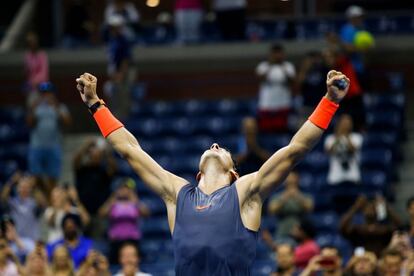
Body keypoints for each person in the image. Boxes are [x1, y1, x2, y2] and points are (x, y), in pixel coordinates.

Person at [74, 69, 350, 274]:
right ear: (197, 174)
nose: (215, 144)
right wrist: (95, 104)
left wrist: (330, 101)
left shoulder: (244, 193)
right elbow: (129, 150)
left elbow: (295, 150)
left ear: (234, 174)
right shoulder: (178, 194)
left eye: (223, 150)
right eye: (214, 146)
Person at [27, 82, 72, 195]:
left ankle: (51, 200)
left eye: (48, 93)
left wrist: (56, 106)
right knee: (35, 176)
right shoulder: (36, 107)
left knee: (53, 176)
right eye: (43, 93)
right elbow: (29, 123)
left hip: (54, 145)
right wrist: (33, 108)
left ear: (53, 94)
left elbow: (68, 122)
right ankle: (44, 200)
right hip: (37, 145)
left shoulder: (59, 106)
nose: (46, 95)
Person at [98, 178, 150, 264]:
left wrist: (136, 200)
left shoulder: (134, 203)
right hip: (116, 241)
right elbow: (101, 214)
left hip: (133, 240)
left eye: (126, 188)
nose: (124, 190)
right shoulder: (113, 203)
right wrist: (112, 199)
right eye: (122, 188)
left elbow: (146, 214)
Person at [73, 137, 116, 238]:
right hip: (82, 211)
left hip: (100, 213)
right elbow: (75, 161)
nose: (95, 155)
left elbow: (113, 168)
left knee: (98, 242)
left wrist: (107, 153)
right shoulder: (83, 169)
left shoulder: (103, 171)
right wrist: (86, 146)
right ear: (89, 155)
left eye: (98, 154)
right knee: (80, 241)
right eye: (93, 153)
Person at [256, 44, 296, 132]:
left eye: (279, 53)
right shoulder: (263, 66)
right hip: (266, 105)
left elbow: (292, 81)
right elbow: (260, 78)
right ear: (270, 54)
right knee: (266, 131)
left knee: (283, 131)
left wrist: (282, 67)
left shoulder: (288, 66)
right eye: (275, 53)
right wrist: (270, 64)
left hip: (283, 104)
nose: (277, 56)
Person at [0, 172, 47, 241]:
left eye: (26, 187)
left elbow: (43, 203)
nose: (24, 189)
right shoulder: (13, 202)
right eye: (21, 187)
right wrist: (11, 181)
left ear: (30, 189)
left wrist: (34, 186)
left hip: (31, 240)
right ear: (17, 189)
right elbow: (3, 198)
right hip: (15, 240)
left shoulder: (34, 203)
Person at [268, 172, 314, 241]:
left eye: (293, 178)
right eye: (288, 177)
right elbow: (272, 210)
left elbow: (310, 208)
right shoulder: (278, 196)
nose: (291, 180)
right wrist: (284, 197)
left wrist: (298, 196)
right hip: (283, 229)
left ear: (298, 179)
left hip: (300, 231)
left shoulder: (305, 195)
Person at [104, 14, 134, 119]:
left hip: (122, 75)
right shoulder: (111, 40)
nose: (114, 29)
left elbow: (125, 60)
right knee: (114, 101)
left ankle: (124, 125)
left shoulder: (123, 40)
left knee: (122, 101)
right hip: (114, 74)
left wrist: (121, 74)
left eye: (116, 27)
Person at [325, 114, 363, 186]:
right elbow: (329, 151)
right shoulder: (331, 138)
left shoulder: (357, 137)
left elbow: (353, 150)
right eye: (343, 123)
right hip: (335, 177)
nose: (345, 125)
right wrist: (338, 136)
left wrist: (346, 135)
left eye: (348, 123)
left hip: (352, 176)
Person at [296, 51, 330, 118]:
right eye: (311, 59)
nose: (313, 61)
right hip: (307, 104)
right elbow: (298, 85)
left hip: (321, 104)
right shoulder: (304, 70)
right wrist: (305, 69)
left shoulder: (323, 69)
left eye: (315, 58)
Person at [23, 32, 49, 106]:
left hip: (42, 87)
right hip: (31, 88)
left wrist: (35, 82)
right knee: (31, 107)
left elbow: (44, 73)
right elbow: (26, 73)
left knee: (42, 107)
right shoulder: (27, 56)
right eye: (30, 42)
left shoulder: (42, 55)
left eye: (34, 42)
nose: (33, 44)